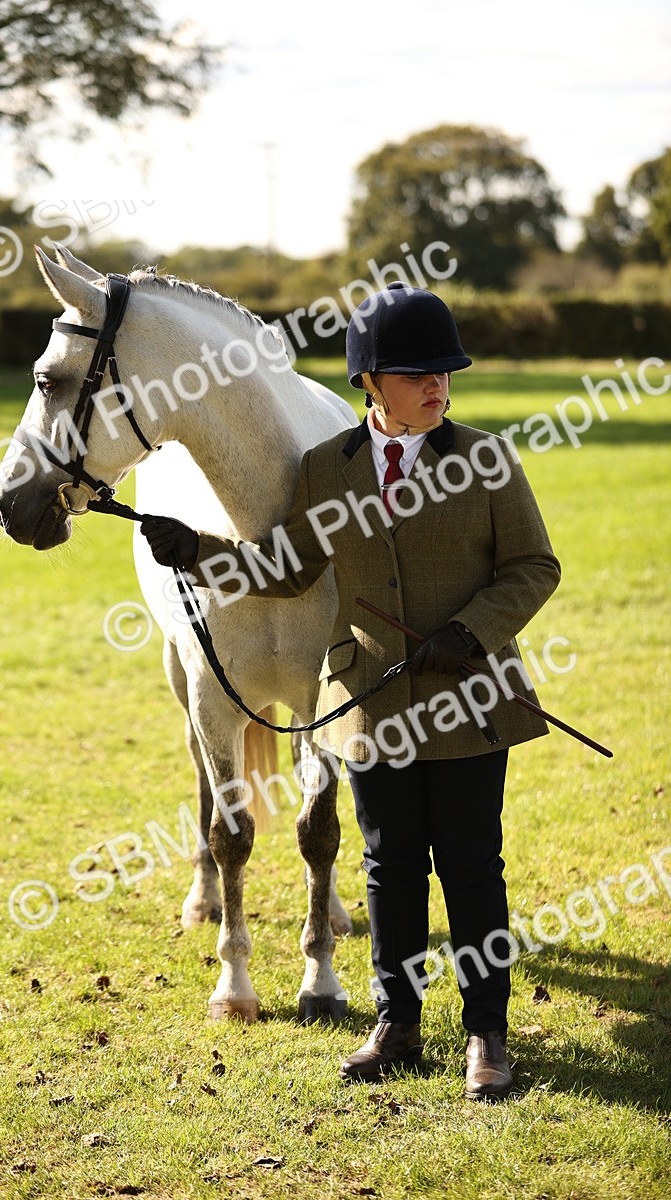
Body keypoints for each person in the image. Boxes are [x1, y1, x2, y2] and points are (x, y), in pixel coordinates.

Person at [140, 283, 561, 1101]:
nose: (439, 385)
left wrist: (470, 632)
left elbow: (534, 568)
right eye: (418, 373)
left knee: (472, 868)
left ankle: (486, 1035)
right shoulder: (325, 469)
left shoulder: (488, 460)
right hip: (369, 711)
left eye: (447, 372)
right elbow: (287, 569)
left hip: (470, 702)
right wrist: (195, 550)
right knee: (388, 868)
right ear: (370, 381)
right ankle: (396, 1022)